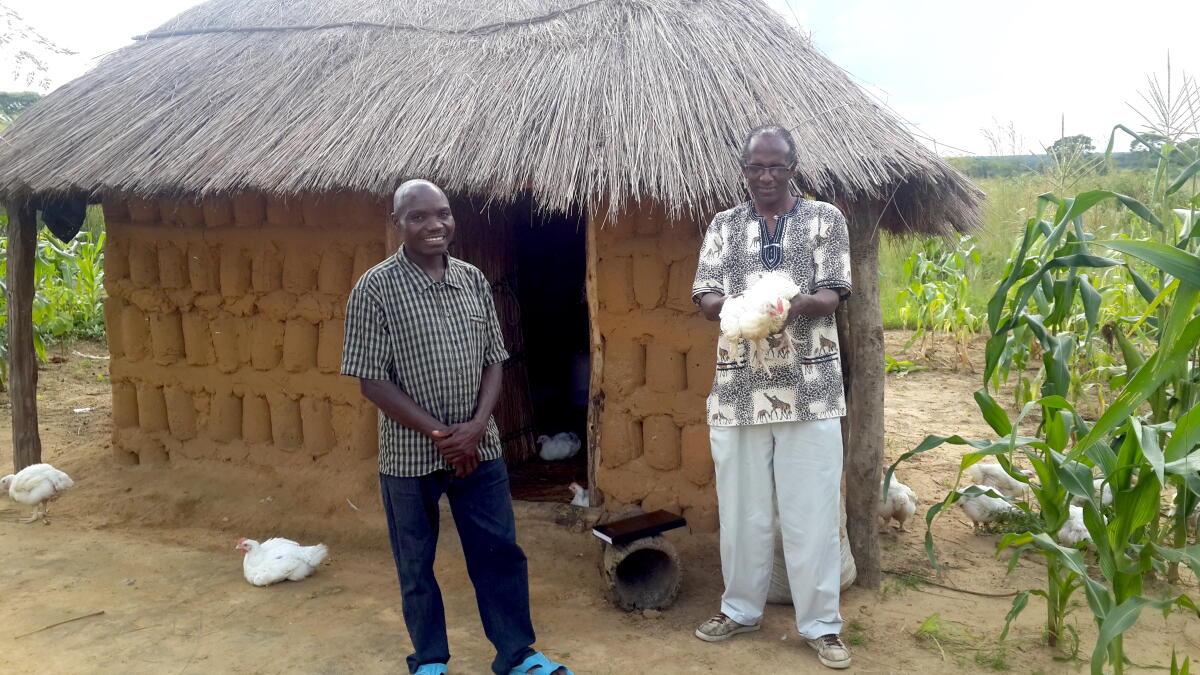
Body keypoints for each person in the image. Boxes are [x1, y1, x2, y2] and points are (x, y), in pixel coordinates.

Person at [341, 180, 572, 675]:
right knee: (416, 563)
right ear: (398, 223)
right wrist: (443, 437)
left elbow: (495, 360)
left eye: (442, 213)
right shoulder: (375, 289)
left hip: (479, 449)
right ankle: (429, 660)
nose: (435, 225)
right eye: (419, 216)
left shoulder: (472, 280)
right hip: (409, 456)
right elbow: (372, 381)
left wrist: (476, 427)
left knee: (499, 553)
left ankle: (517, 655)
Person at [690, 126, 853, 669]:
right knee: (743, 512)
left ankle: (822, 625)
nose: (765, 177)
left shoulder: (825, 220)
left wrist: (789, 305)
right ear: (744, 170)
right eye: (755, 168)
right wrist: (740, 309)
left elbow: (833, 295)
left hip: (811, 390)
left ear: (793, 168)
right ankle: (739, 610)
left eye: (776, 167)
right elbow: (705, 296)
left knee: (812, 512)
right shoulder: (723, 226)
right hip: (737, 391)